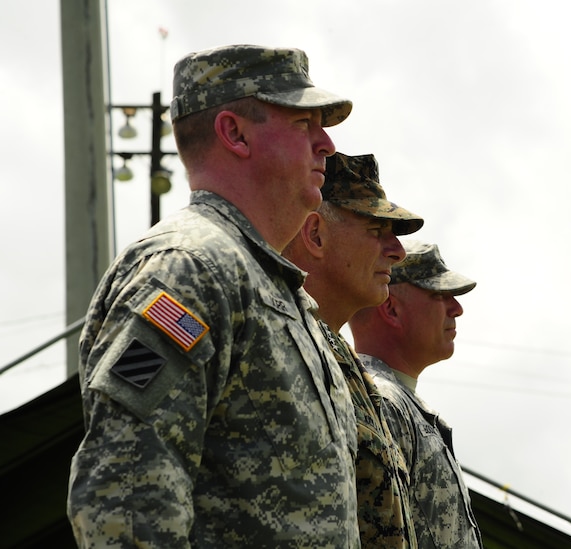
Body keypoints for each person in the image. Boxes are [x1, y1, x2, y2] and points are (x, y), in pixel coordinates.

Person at [68, 45, 361, 548]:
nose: (327, 144)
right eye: (302, 124)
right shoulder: (190, 271)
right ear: (235, 133)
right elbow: (125, 490)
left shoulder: (275, 289)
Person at [282, 152, 423, 548]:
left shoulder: (341, 359)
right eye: (378, 231)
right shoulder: (281, 339)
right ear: (316, 235)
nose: (397, 252)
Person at [349, 240, 484, 548]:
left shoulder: (399, 403)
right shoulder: (382, 402)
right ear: (392, 309)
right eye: (439, 295)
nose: (457, 308)